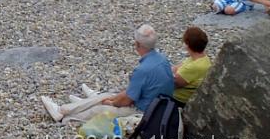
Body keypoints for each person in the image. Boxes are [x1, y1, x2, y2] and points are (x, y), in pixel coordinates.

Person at [40, 25, 174, 123]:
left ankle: (65, 116)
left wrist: (111, 103)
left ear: (137, 44)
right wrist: (112, 98)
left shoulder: (143, 70)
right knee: (105, 96)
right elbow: (131, 93)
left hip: (143, 111)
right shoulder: (163, 60)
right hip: (157, 104)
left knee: (99, 110)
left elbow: (127, 100)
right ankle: (65, 109)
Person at [172, 27, 212, 106]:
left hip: (179, 101)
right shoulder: (203, 58)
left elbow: (173, 83)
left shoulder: (193, 67)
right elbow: (175, 68)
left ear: (187, 45)